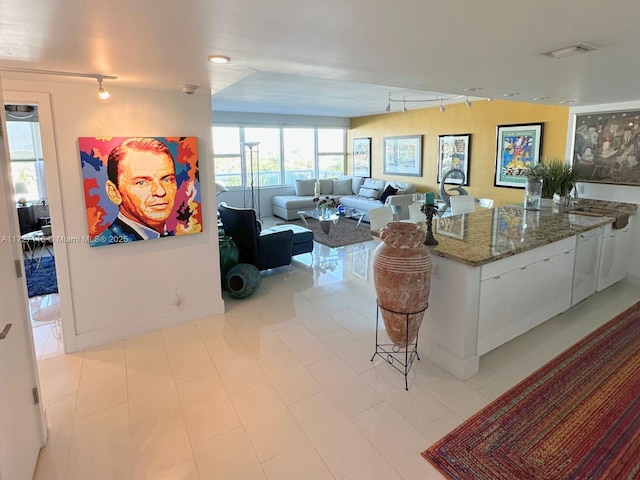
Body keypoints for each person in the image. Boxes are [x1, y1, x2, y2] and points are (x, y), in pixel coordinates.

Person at [96, 137, 178, 244]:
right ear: (114, 193)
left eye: (167, 179)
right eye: (141, 183)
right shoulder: (107, 245)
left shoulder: (174, 237)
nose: (160, 191)